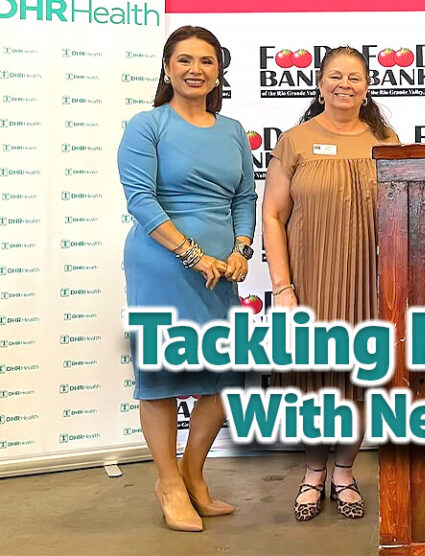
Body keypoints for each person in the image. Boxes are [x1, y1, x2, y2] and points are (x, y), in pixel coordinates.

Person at [118, 25, 257, 532]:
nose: (195, 69)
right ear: (167, 68)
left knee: (223, 378)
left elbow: (245, 198)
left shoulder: (233, 129)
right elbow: (141, 201)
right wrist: (192, 253)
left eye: (206, 61)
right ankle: (168, 484)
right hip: (162, 267)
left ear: (218, 70)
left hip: (222, 272)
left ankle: (193, 475)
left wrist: (241, 249)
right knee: (160, 380)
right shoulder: (145, 125)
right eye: (184, 60)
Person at [262, 46, 399, 522]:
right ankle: (313, 474)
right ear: (320, 84)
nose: (345, 84)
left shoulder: (386, 140)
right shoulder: (295, 141)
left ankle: (344, 473)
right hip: (309, 281)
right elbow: (273, 216)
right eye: (335, 76)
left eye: (355, 77)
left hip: (369, 282)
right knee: (312, 383)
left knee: (358, 382)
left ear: (367, 86)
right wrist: (282, 288)